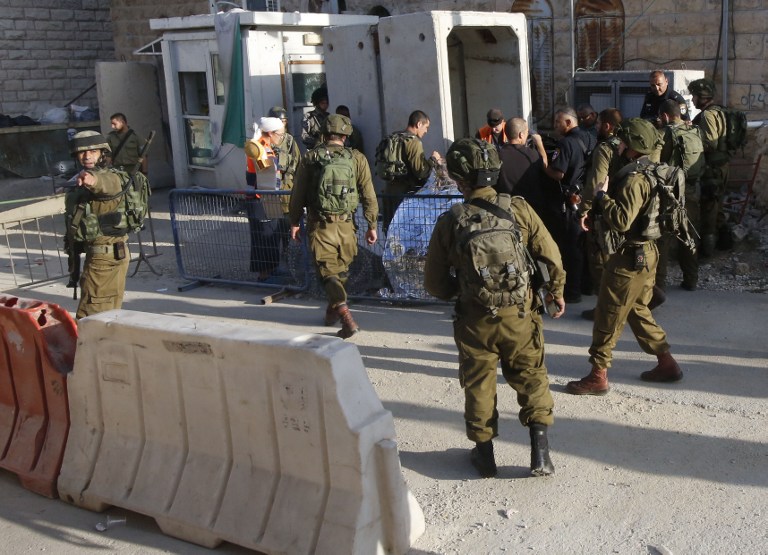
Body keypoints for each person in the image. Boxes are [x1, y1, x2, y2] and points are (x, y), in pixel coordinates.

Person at [424, 137, 565, 478]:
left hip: (475, 320)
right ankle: (540, 452)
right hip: (521, 315)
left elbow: (435, 284)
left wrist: (462, 291)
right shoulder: (518, 208)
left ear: (459, 179)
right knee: (531, 376)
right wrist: (555, 291)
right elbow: (552, 256)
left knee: (479, 383)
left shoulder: (451, 221)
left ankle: (485, 455)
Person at [566, 118, 684, 396]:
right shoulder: (655, 172)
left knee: (608, 313)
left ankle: (598, 375)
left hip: (629, 259)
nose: (618, 145)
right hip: (648, 254)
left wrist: (601, 197)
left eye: (623, 141)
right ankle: (666, 363)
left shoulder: (634, 180)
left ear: (632, 147)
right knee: (636, 310)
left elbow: (621, 220)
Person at [289, 114, 379, 338]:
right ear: (346, 136)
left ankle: (346, 317)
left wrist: (293, 222)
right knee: (341, 271)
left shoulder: (311, 158)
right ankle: (333, 311)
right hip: (347, 225)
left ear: (324, 133)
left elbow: (297, 194)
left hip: (320, 224)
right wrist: (372, 224)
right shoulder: (357, 159)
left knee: (328, 272)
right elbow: (369, 194)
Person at [65, 131, 132, 319]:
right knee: (107, 318)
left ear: (103, 153)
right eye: (82, 152)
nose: (87, 156)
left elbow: (106, 184)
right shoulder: (85, 175)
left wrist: (91, 180)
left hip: (104, 260)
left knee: (89, 321)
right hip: (105, 255)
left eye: (93, 151)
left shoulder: (109, 177)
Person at [542, 107, 596, 303]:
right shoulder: (590, 137)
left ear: (568, 122)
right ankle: (588, 286)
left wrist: (543, 160)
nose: (555, 126)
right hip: (585, 198)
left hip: (569, 201)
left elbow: (558, 173)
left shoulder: (565, 143)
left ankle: (572, 291)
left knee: (570, 247)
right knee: (584, 244)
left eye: (558, 122)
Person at [579, 108, 624, 320]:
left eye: (598, 125)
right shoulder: (628, 145)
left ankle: (604, 310)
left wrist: (584, 210)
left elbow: (595, 183)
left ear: (606, 126)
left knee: (599, 260)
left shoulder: (604, 149)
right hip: (624, 209)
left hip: (603, 210)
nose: (596, 128)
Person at [658, 98, 705, 291]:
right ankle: (691, 279)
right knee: (689, 234)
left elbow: (655, 161)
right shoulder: (694, 130)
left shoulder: (665, 133)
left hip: (671, 193)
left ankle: (658, 285)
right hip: (692, 190)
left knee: (663, 236)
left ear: (665, 116)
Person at [688, 77, 730, 257]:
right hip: (722, 165)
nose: (692, 100)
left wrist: (691, 140)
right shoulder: (721, 111)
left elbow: (710, 142)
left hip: (712, 168)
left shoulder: (707, 115)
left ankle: (707, 252)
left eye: (694, 96)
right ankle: (726, 242)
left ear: (702, 96)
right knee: (717, 205)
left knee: (709, 209)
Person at [381, 110, 442, 229]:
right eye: (426, 127)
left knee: (391, 233)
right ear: (419, 124)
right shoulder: (413, 142)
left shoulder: (394, 137)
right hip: (406, 198)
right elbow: (421, 172)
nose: (426, 131)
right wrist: (434, 159)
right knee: (406, 234)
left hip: (389, 192)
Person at [495, 117, 548, 214]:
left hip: (506, 211)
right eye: (527, 132)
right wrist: (539, 143)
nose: (527, 134)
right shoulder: (532, 155)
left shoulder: (497, 156)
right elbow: (545, 165)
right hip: (530, 210)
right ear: (521, 135)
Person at [262, 112, 301, 214]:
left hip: (286, 180)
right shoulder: (262, 143)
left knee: (288, 211)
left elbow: (296, 159)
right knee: (272, 212)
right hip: (270, 183)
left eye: (284, 121)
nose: (283, 124)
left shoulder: (289, 139)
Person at [301, 86, 329, 150]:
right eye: (323, 103)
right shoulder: (309, 116)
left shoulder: (328, 116)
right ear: (317, 103)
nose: (325, 105)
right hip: (315, 150)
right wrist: (318, 141)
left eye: (327, 103)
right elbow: (304, 137)